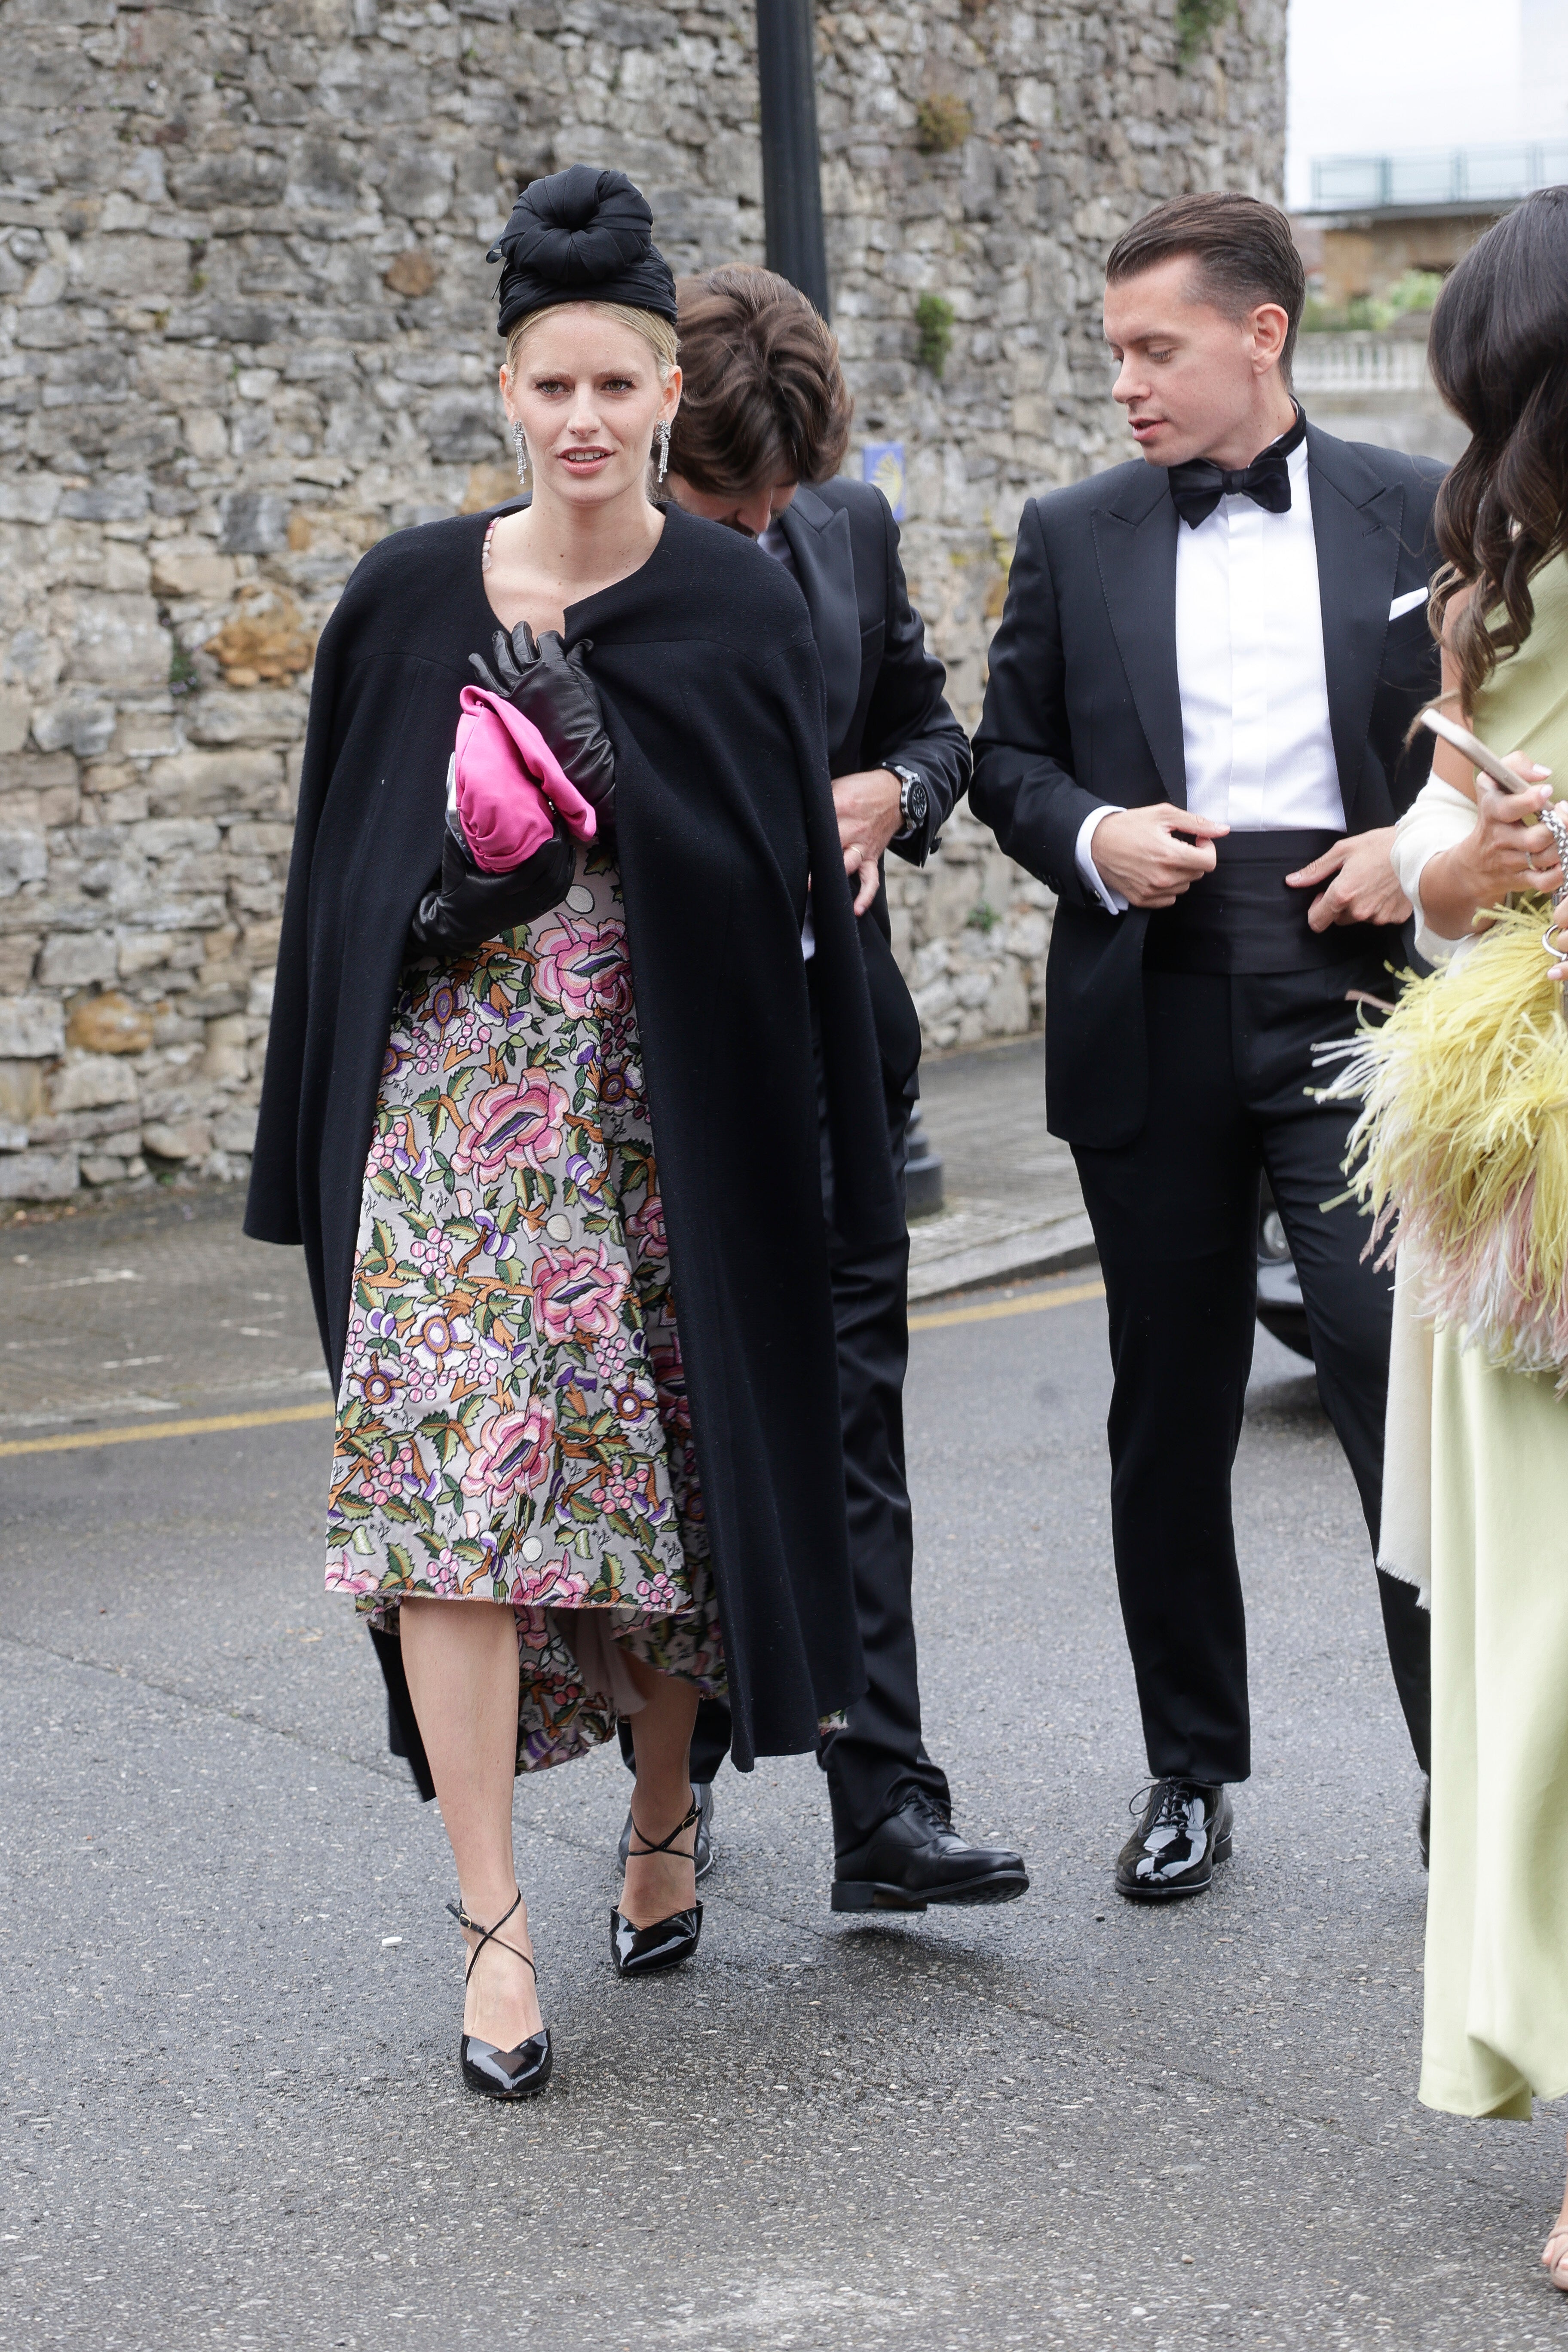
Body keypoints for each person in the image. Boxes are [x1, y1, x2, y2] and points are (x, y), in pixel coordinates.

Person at [244, 165, 900, 2098]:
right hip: (451, 1126)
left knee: (671, 1512)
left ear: (665, 398)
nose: (590, 422)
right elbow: (340, 896)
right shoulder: (401, 599)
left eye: (622, 386)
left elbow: (780, 896)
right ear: (504, 392)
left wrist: (619, 810)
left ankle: (662, 1809)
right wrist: (463, 900)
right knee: (449, 1514)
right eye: (554, 388)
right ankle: (493, 1929)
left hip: (655, 1122)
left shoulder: (728, 605)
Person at [970, 192, 1443, 1902]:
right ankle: (1189, 1770)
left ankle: (1461, 1783)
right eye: (1114, 354)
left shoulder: (1423, 508)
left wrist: (1423, 842)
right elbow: (1005, 756)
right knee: (1169, 1410)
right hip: (1153, 1001)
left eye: (1154, 349)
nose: (1127, 386)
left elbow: (1496, 733)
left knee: (1403, 1385)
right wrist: (1093, 835)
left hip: (1369, 995)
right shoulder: (1074, 529)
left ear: (1264, 335)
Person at [613, 261, 1028, 1913]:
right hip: (659, 1082)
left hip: (845, 1059)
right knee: (681, 1438)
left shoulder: (847, 531)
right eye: (732, 500)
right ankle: (668, 1805)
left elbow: (941, 733)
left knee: (855, 1431)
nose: (763, 521)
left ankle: (888, 1810)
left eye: (781, 496)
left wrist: (885, 795)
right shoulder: (579, 562)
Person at [1353, 188, 1568, 2280]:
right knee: (1540, 1665)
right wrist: (1473, 869)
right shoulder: (1483, 598)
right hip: (1533, 1185)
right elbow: (1434, 852)